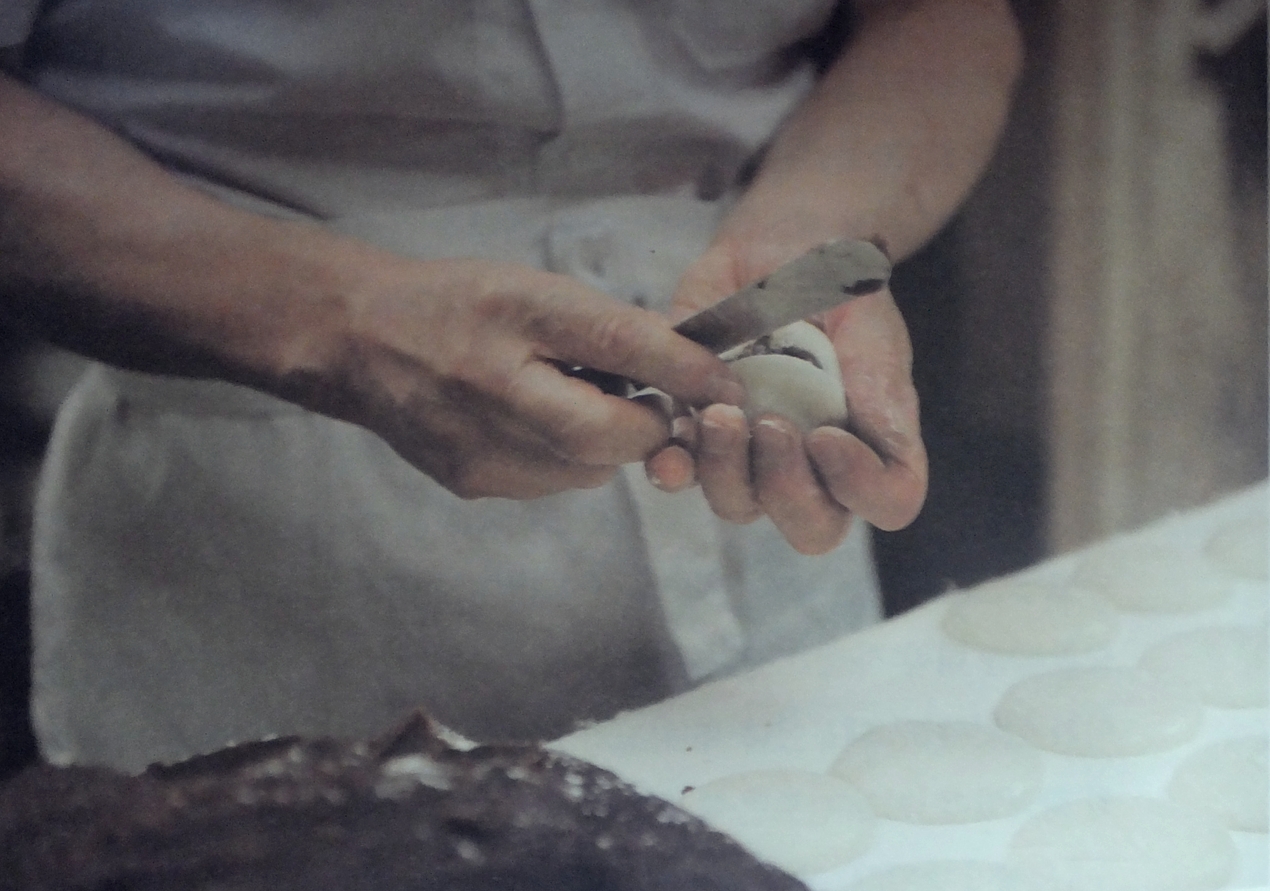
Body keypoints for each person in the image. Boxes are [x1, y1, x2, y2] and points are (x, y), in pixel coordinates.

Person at [0, 1, 1022, 771]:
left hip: (753, 500)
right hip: (249, 555)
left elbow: (935, 14)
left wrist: (810, 241)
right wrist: (340, 321)